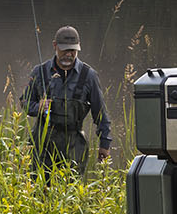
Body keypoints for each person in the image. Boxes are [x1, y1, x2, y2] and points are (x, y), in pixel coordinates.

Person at [21, 25, 113, 179]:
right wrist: (38, 107)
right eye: (65, 50)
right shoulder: (40, 72)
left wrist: (105, 145)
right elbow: (25, 102)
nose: (69, 54)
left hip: (74, 146)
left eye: (73, 50)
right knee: (39, 191)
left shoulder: (88, 75)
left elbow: (101, 114)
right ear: (55, 46)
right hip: (42, 145)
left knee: (71, 192)